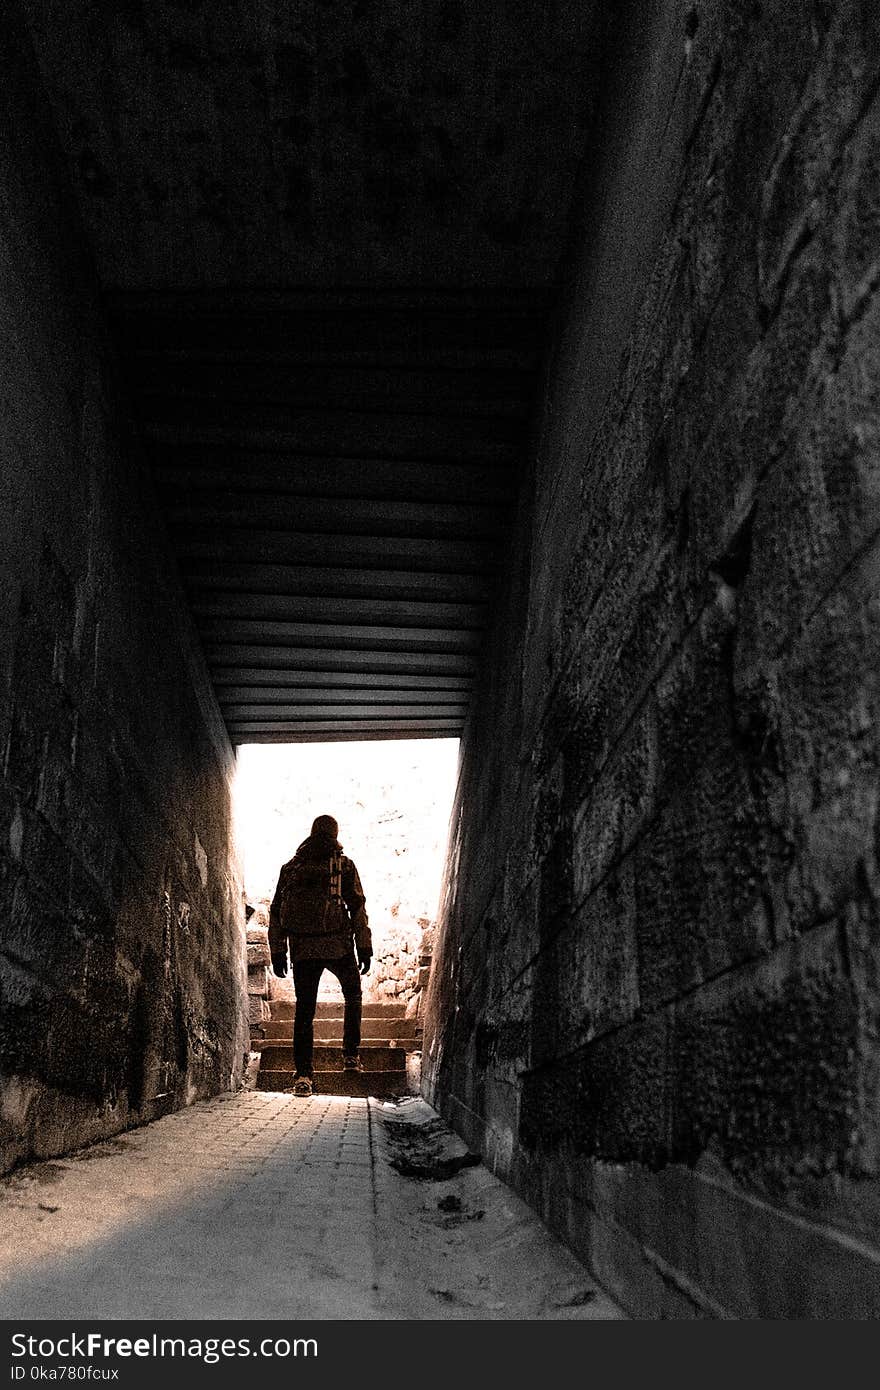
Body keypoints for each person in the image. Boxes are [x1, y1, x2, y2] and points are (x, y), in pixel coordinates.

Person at [268, 814, 371, 1098]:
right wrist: (364, 945)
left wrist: (278, 950)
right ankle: (350, 1055)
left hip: (303, 949)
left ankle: (303, 1076)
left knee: (304, 1012)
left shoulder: (290, 868)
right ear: (335, 834)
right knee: (353, 994)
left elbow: (276, 912)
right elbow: (357, 907)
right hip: (338, 946)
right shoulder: (343, 865)